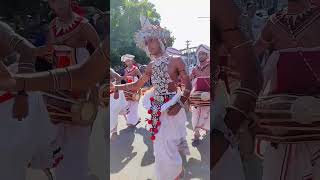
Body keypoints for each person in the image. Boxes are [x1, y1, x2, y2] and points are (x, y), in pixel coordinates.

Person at [111, 17, 192, 180]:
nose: (149, 45)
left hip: (173, 106)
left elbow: (188, 86)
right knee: (159, 146)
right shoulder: (150, 66)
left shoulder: (176, 61)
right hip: (155, 108)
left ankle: (177, 173)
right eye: (146, 43)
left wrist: (180, 104)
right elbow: (136, 86)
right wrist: (116, 87)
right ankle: (166, 175)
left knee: (171, 144)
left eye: (152, 40)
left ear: (160, 40)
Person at [254, 0, 320, 179]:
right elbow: (254, 54)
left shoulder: (274, 22)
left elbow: (254, 54)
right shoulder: (274, 22)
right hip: (284, 119)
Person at [37, 0, 101, 179]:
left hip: (81, 89)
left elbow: (101, 53)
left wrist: (94, 90)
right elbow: (50, 55)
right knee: (56, 134)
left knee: (78, 138)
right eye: (53, 1)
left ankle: (77, 175)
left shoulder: (83, 26)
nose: (57, 4)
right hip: (59, 88)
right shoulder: (52, 26)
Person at [212, 0, 262, 179]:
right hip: (194, 118)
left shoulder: (221, 7)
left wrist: (225, 133)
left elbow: (252, 74)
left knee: (246, 142)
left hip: (223, 104)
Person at [189, 44, 210, 143]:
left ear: (207, 55)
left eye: (203, 54)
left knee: (206, 114)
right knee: (195, 113)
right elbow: (189, 80)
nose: (200, 56)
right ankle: (196, 132)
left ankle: (206, 129)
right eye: (199, 54)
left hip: (208, 95)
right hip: (196, 96)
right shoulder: (194, 68)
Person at [121, 54, 141, 127]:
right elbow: (124, 78)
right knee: (128, 104)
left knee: (134, 104)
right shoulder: (125, 70)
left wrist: (138, 85)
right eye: (126, 61)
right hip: (128, 88)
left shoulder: (135, 69)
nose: (128, 63)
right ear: (125, 63)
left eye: (129, 61)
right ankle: (132, 119)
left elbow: (141, 77)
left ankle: (133, 121)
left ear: (132, 61)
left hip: (135, 88)